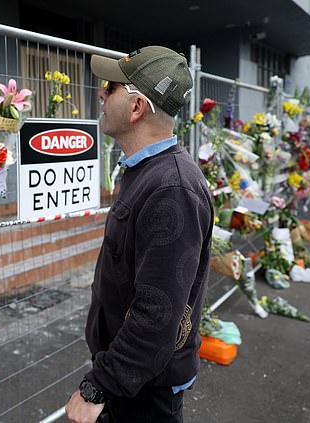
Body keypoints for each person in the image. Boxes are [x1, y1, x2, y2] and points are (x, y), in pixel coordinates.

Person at [65, 46, 214, 423]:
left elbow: (157, 313)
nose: (101, 93)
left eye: (111, 87)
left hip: (146, 388)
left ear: (136, 108)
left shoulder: (171, 188)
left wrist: (99, 384)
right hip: (135, 380)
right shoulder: (148, 172)